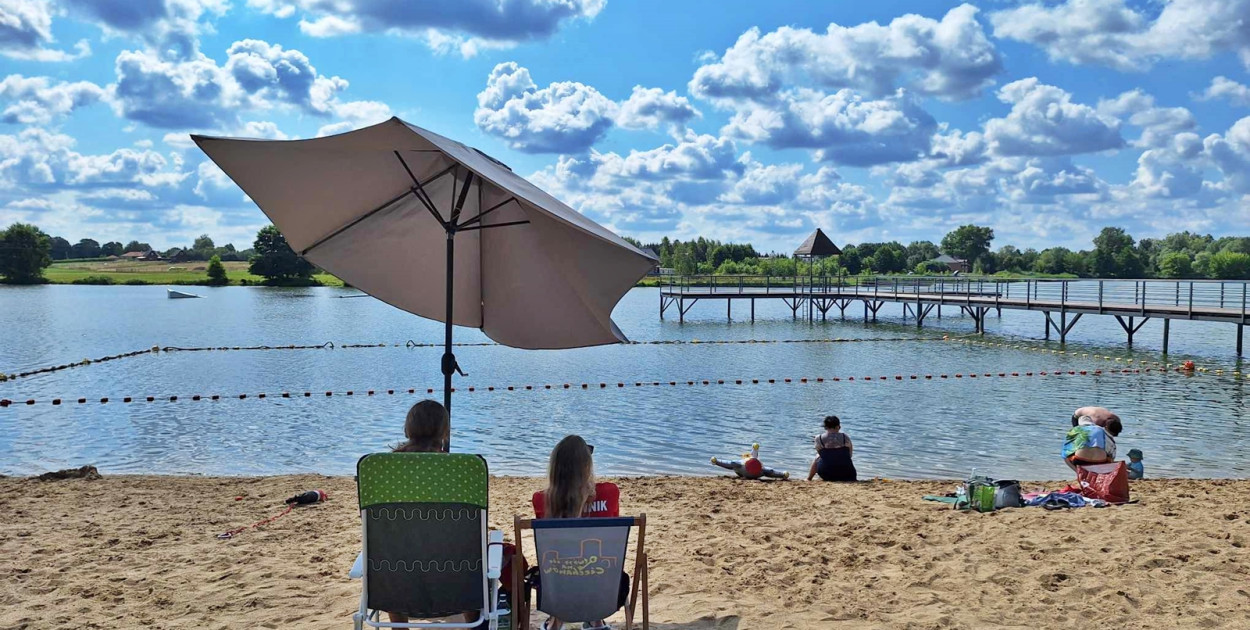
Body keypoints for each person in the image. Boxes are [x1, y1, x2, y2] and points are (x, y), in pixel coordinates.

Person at [386, 400, 477, 626]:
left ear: (408, 429)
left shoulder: (385, 469)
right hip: (451, 574)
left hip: (395, 576)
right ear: (445, 432)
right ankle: (475, 623)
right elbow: (470, 527)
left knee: (390, 558)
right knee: (470, 561)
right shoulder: (460, 470)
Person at [531, 436, 626, 630]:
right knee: (595, 560)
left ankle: (556, 622)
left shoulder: (541, 500)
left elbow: (553, 544)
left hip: (556, 589)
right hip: (605, 587)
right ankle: (596, 620)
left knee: (560, 564)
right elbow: (609, 538)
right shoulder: (610, 492)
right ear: (587, 466)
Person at [1062, 407, 1122, 472]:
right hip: (1100, 462)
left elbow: (1066, 451)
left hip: (1079, 460)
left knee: (1066, 454)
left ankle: (1078, 472)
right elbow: (1112, 454)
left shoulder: (1078, 430)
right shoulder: (1102, 428)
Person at [807, 415, 857, 482]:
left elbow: (821, 454)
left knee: (817, 456)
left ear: (825, 427)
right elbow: (850, 455)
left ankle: (809, 478)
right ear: (838, 426)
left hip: (826, 474)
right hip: (848, 474)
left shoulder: (819, 438)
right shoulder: (845, 437)